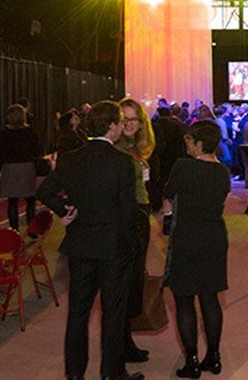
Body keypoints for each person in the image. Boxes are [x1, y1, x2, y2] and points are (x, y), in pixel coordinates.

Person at [36, 101, 144, 380]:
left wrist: (64, 210)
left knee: (78, 314)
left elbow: (45, 191)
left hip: (80, 246)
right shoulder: (121, 163)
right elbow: (126, 211)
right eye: (120, 121)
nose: (123, 125)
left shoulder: (70, 158)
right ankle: (112, 374)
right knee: (113, 315)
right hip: (114, 249)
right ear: (111, 126)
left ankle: (74, 375)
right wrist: (132, 247)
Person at [164, 121, 229, 378]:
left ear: (199, 143)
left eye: (189, 141)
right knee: (210, 299)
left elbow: (168, 194)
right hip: (214, 238)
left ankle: (191, 360)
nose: (186, 145)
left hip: (187, 238)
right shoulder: (223, 172)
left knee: (184, 300)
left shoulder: (183, 167)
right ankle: (213, 356)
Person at [115, 98, 157, 364]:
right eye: (125, 119)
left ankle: (126, 340)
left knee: (134, 285)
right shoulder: (116, 152)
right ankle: (121, 344)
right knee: (123, 286)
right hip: (125, 222)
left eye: (134, 120)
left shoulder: (137, 151)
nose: (130, 125)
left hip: (140, 218)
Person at [0, 104, 42, 231]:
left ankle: (14, 230)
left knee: (12, 201)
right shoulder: (30, 132)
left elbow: (0, 153)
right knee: (30, 200)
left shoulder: (5, 133)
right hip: (26, 167)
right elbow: (37, 150)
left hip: (10, 168)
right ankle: (32, 229)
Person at [150, 106, 186, 212]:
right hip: (173, 157)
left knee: (158, 181)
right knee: (171, 179)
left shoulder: (154, 126)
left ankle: (157, 203)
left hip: (159, 157)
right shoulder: (176, 125)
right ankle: (172, 202)